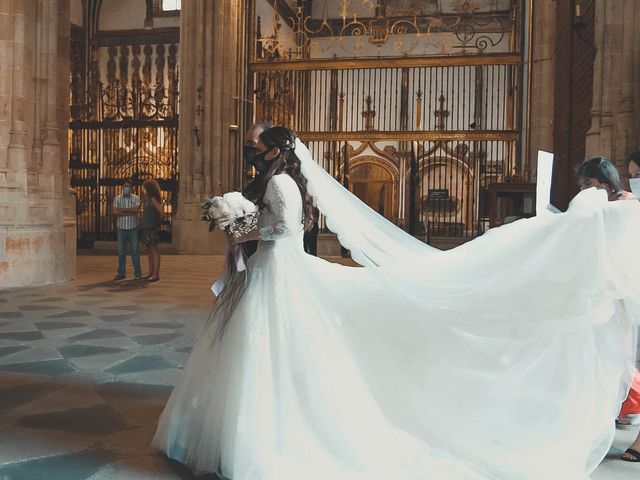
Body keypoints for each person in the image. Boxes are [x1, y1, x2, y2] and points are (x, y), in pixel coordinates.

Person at [153, 129, 640, 480]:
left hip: (276, 267)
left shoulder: (280, 185)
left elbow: (282, 229)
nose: (254, 158)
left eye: (259, 149)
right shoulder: (290, 185)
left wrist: (237, 227)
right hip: (275, 269)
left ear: (278, 153)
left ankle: (254, 434)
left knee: (263, 347)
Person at [241, 120, 274, 258]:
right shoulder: (260, 176)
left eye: (253, 144)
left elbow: (284, 225)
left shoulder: (276, 179)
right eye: (247, 143)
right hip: (252, 249)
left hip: (268, 250)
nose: (248, 149)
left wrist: (248, 235)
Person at [112, 180, 142, 281]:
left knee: (134, 251)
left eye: (129, 186)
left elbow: (136, 210)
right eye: (125, 186)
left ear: (132, 188)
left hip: (133, 228)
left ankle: (137, 273)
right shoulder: (117, 198)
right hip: (121, 228)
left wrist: (122, 210)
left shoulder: (136, 198)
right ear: (122, 187)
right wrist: (130, 212)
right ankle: (121, 272)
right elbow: (115, 212)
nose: (127, 188)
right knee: (121, 251)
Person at [139, 178, 164, 282]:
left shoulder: (153, 199)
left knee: (154, 250)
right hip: (146, 228)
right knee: (149, 251)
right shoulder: (148, 200)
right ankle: (150, 272)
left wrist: (156, 222)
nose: (142, 189)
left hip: (152, 228)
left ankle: (155, 274)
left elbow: (161, 212)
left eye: (144, 187)